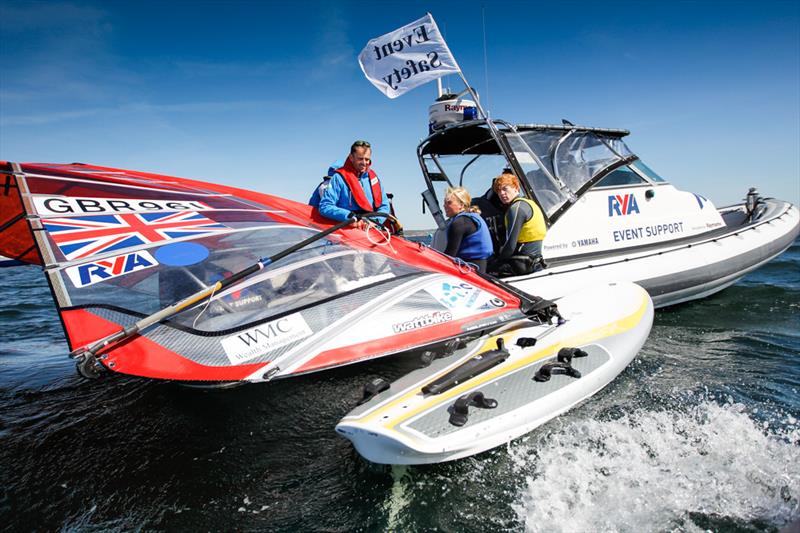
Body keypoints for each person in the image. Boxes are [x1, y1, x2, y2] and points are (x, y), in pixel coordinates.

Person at [318, 140, 389, 224]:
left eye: (367, 159)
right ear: (351, 157)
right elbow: (325, 206)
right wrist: (350, 217)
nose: (364, 163)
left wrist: (375, 221)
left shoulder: (374, 179)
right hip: (347, 226)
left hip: (371, 227)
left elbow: (384, 206)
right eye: (360, 159)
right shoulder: (338, 178)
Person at [491, 172, 547, 275]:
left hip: (522, 263)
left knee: (486, 270)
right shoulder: (529, 203)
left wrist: (497, 262)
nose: (501, 193)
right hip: (535, 262)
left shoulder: (516, 208)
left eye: (505, 189)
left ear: (516, 188)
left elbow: (510, 246)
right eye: (498, 191)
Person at [442, 187, 493, 272]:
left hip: (469, 270)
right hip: (481, 267)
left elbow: (449, 256)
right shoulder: (473, 217)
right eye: (444, 203)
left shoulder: (459, 223)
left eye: (449, 203)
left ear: (461, 205)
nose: (444, 205)